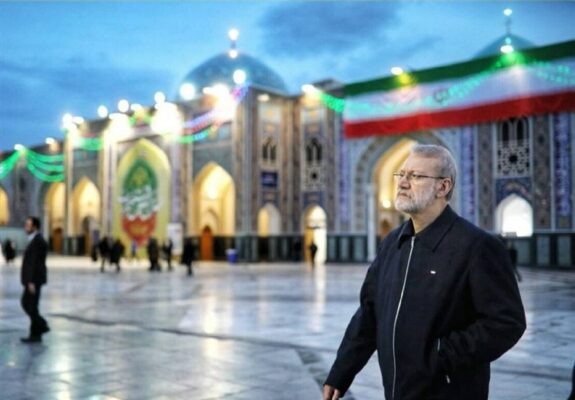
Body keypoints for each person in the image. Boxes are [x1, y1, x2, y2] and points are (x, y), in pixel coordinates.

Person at [323, 144, 526, 400]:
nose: (402, 182)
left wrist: (442, 355)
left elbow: (506, 322)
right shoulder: (393, 243)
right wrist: (341, 371)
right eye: (401, 174)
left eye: (416, 176)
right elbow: (369, 313)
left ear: (443, 187)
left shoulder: (476, 246)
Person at [20, 216, 50, 343]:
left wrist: (31, 281)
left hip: (34, 280)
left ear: (35, 227)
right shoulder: (35, 239)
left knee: (28, 304)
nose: (26, 227)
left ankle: (42, 325)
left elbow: (35, 263)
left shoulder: (38, 241)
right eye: (26, 225)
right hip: (33, 279)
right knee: (31, 306)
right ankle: (36, 334)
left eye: (28, 225)